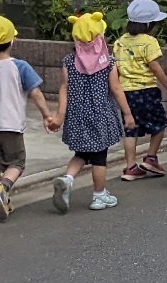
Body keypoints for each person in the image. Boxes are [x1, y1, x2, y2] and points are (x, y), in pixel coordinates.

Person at [0, 15, 56, 219]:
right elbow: (36, 93)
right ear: (12, 40)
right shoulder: (21, 66)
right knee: (17, 163)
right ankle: (4, 187)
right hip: (12, 125)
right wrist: (46, 115)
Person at [53, 13, 130, 212]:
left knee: (81, 153)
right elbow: (116, 89)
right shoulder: (108, 63)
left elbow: (64, 88)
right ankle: (99, 195)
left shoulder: (69, 61)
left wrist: (60, 115)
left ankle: (68, 179)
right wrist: (127, 113)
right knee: (99, 157)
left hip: (77, 115)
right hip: (100, 115)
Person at [116, 0, 167, 180]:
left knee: (130, 130)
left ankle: (130, 167)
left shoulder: (119, 42)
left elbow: (116, 68)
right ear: (149, 24)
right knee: (160, 124)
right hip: (146, 90)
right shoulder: (149, 42)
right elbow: (155, 67)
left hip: (126, 92)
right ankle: (151, 157)